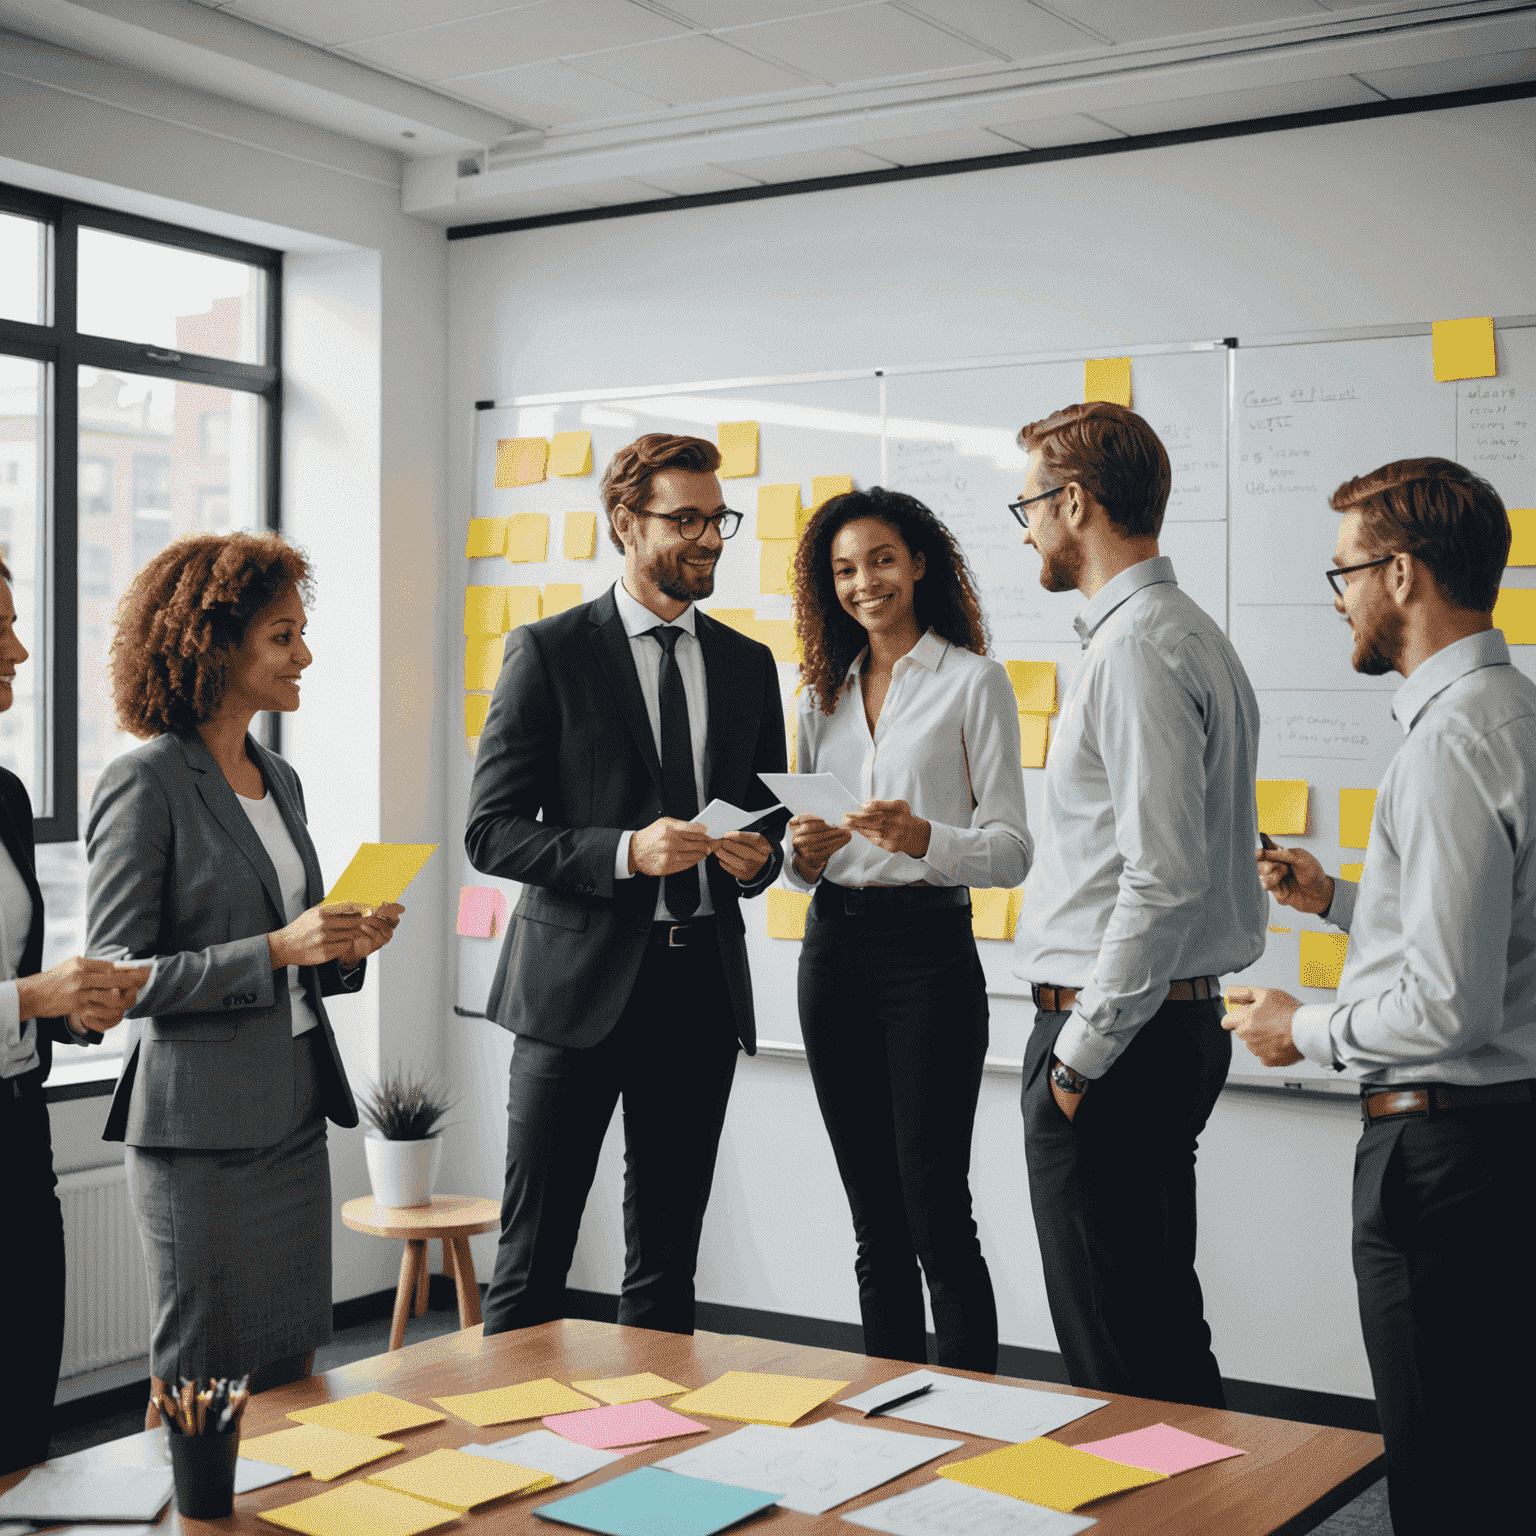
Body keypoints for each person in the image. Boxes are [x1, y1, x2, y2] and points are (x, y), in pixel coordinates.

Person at [1228, 458, 1534, 1536]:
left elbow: (1450, 1011)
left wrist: (1297, 1027)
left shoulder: (1450, 742)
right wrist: (1342, 897)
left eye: (1345, 572)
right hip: (1504, 1144)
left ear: (1400, 574)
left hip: (1446, 1160)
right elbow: (1500, 942)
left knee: (1446, 1469)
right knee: (1498, 1451)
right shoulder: (1512, 715)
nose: (1341, 599)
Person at [469, 433, 786, 1337]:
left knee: (666, 1265)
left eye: (717, 519)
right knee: (532, 1262)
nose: (710, 538)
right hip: (573, 994)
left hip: (698, 989)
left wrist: (757, 859)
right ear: (624, 523)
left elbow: (762, 822)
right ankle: (511, 1463)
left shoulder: (746, 665)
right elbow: (489, 832)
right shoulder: (548, 653)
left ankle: (651, 1462)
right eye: (685, 519)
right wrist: (624, 852)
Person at [85, 532, 401, 1426]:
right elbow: (116, 979)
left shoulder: (279, 776)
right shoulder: (144, 783)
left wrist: (342, 947)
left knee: (295, 1368)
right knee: (199, 1385)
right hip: (200, 1138)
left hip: (294, 1116)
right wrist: (274, 949)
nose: (305, 655)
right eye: (282, 636)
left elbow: (299, 947)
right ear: (214, 644)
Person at [1010, 401, 1265, 1409]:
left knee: (1116, 1365)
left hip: (1114, 1036)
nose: (1025, 525)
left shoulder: (1136, 650)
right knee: (1158, 1331)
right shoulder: (1185, 633)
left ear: (1074, 503)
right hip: (1160, 1026)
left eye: (1030, 503)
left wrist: (1077, 1057)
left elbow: (1160, 877)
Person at [785, 487, 1031, 1374]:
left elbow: (1011, 851)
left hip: (928, 954)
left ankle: (969, 1416)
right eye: (845, 570)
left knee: (935, 1207)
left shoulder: (973, 681)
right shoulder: (821, 690)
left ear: (920, 562)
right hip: (833, 948)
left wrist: (925, 837)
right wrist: (801, 851)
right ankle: (885, 1418)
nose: (865, 583)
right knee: (872, 1219)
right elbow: (796, 857)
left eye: (882, 560)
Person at [0, 564, 147, 1472]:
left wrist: (74, 1010)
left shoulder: (7, 795)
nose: (18, 648)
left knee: (22, 1405)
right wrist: (33, 997)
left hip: (17, 1137)